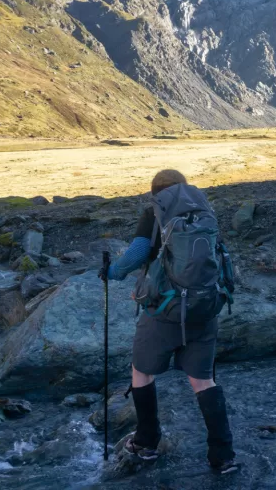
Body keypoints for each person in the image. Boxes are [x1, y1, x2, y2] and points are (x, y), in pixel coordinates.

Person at [99, 169, 239, 475]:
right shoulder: (204, 210)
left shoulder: (155, 212)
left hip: (166, 311)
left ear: (156, 193)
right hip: (205, 307)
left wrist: (112, 273)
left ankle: (147, 442)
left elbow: (137, 254)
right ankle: (223, 455)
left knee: (141, 370)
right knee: (203, 380)